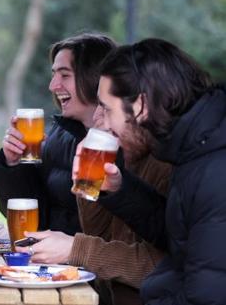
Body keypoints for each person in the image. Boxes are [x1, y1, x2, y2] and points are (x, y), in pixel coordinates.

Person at [77, 38, 224, 304]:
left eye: (107, 109)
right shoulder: (195, 146)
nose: (103, 123)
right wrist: (120, 190)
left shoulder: (214, 168)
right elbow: (178, 232)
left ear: (141, 106)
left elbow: (205, 297)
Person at [16, 104, 171, 305]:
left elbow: (164, 265)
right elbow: (98, 233)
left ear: (140, 106)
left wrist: (75, 249)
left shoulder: (168, 165)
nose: (97, 114)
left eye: (105, 107)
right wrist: (89, 186)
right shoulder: (122, 157)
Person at [0, 33, 116, 234]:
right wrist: (13, 164)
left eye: (65, 75)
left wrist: (72, 249)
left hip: (88, 263)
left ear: (94, 78)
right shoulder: (60, 134)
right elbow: (33, 218)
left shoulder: (126, 144)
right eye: (54, 74)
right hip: (51, 261)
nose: (53, 85)